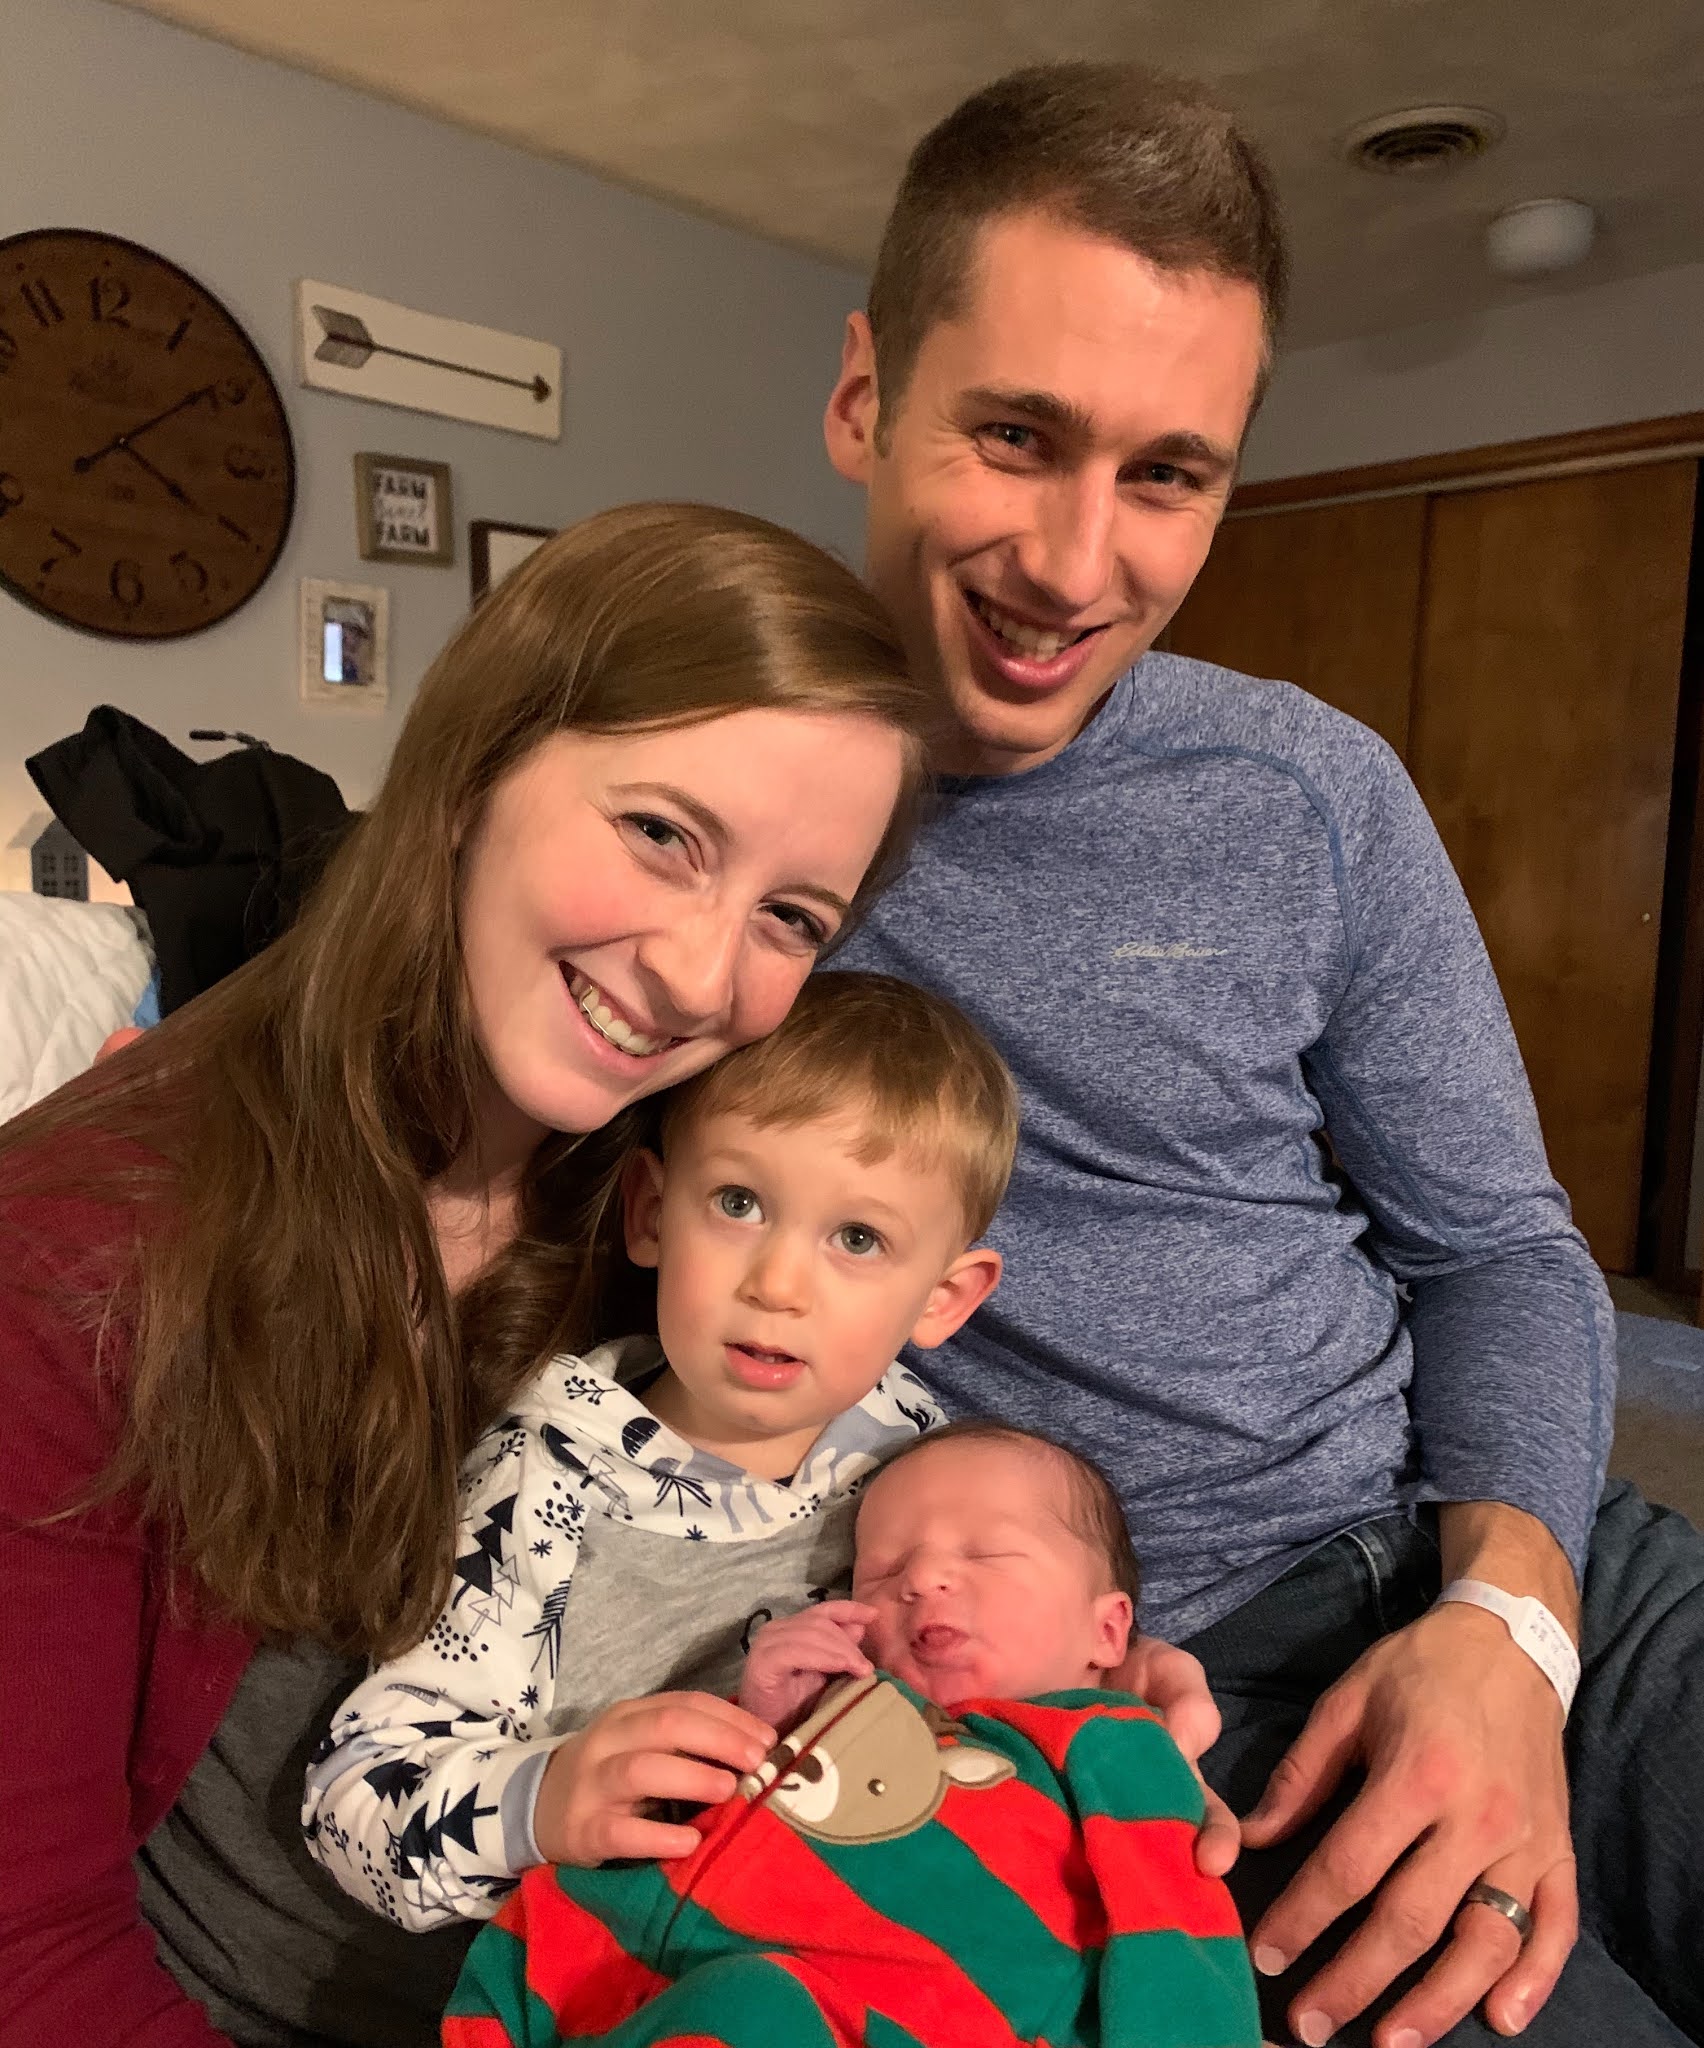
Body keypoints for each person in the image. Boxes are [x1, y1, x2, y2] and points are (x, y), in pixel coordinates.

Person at [820, 61, 1703, 2048]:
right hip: (1174, 1688)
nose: (1075, 566)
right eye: (1015, 436)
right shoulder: (720, 807)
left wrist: (1509, 1620)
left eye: (1168, 474)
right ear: (864, 395)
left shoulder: (1312, 787)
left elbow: (1498, 1248)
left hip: (1507, 1538)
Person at [0, 503, 940, 2048]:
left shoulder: (683, 1191)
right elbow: (29, 1953)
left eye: (789, 917)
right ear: (470, 772)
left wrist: (1051, 1660)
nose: (699, 977)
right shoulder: (76, 1263)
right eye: (661, 834)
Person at [301, 970, 1013, 1931]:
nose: (779, 1284)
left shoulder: (926, 1452)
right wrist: (545, 1800)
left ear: (944, 1298)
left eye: (856, 1237)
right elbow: (354, 1798)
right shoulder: (544, 1480)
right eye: (738, 1203)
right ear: (650, 1213)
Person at [441, 1421, 1262, 2048]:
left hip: (874, 2016)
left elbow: (1180, 1946)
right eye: (883, 1568)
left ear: (1108, 1630)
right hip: (605, 1980)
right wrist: (762, 1721)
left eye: (985, 1554)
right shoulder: (842, 1705)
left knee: (759, 2004)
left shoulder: (1111, 1742)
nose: (923, 1578)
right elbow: (678, 1822)